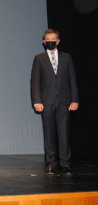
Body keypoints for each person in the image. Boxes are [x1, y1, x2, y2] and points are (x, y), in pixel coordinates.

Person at [30, 28, 79, 174]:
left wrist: (75, 99)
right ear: (44, 42)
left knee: (63, 133)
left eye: (53, 39)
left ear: (58, 41)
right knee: (49, 133)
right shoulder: (39, 58)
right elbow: (35, 82)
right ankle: (51, 163)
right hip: (46, 102)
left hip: (64, 101)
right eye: (47, 39)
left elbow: (72, 79)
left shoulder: (67, 57)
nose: (50, 42)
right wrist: (37, 101)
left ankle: (65, 163)